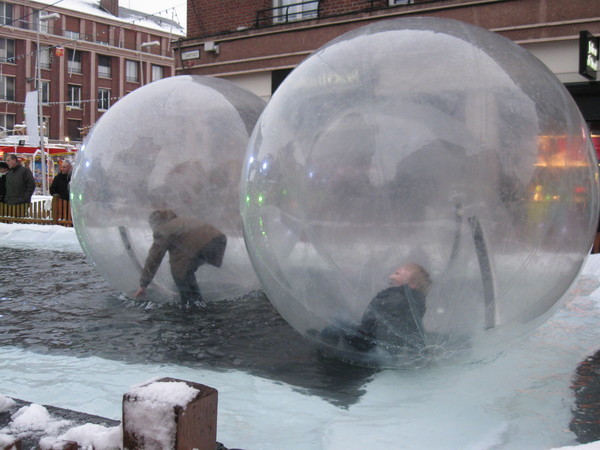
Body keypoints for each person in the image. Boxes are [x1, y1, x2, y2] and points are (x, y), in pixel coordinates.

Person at [134, 209, 227, 305]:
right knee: (184, 263)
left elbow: (154, 258)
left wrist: (143, 284)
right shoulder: (182, 221)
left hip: (200, 246)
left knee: (179, 271)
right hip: (219, 241)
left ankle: (193, 306)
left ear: (155, 223)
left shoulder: (163, 229)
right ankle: (196, 298)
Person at [345, 263, 431, 353]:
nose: (399, 268)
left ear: (413, 283)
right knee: (339, 321)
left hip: (378, 348)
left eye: (406, 269)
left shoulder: (407, 299)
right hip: (374, 342)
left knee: (336, 325)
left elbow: (381, 319)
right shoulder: (397, 294)